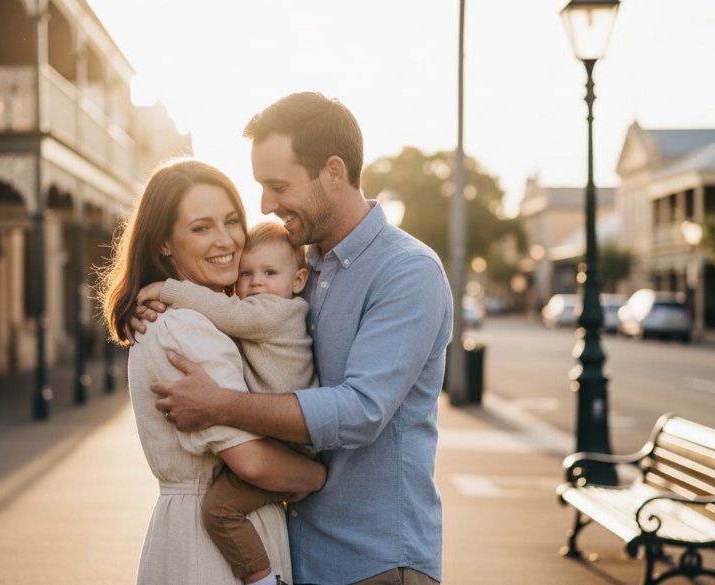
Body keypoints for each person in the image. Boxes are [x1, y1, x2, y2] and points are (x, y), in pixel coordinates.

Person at [143, 92, 453, 585]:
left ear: (333, 172)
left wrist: (220, 405)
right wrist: (170, 304)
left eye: (277, 185)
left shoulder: (406, 272)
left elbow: (360, 412)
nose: (265, 204)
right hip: (298, 551)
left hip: (373, 561)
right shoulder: (300, 266)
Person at [98, 159, 327, 585]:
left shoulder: (181, 317)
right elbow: (252, 463)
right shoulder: (187, 328)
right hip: (213, 550)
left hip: (191, 531)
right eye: (201, 227)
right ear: (164, 243)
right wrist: (317, 475)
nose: (227, 240)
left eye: (232, 221)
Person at [135, 221, 317, 584]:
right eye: (247, 274)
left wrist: (168, 291)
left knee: (220, 510)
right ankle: (263, 578)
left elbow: (230, 314)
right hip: (278, 449)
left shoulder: (276, 312)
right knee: (220, 509)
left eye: (269, 272)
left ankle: (261, 578)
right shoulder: (189, 324)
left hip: (288, 443)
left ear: (298, 281)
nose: (256, 282)